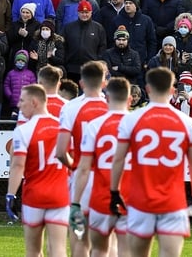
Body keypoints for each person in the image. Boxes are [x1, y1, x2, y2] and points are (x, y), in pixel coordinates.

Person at [110, 67, 192, 257]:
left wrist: (114, 191)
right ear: (172, 90)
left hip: (139, 201)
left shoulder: (131, 119)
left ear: (148, 89)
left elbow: (118, 159)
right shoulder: (187, 123)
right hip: (173, 202)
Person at [71, 77, 131, 257]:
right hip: (131, 197)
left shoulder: (95, 126)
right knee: (126, 250)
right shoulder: (139, 123)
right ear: (129, 100)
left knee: (99, 249)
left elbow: (83, 168)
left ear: (107, 98)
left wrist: (75, 201)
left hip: (101, 196)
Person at [6, 84, 68, 257]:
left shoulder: (24, 130)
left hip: (35, 195)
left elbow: (18, 165)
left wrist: (11, 194)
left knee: (33, 251)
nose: (18, 105)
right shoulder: (62, 127)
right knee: (58, 248)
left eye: (22, 100)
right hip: (60, 194)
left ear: (34, 102)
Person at [55, 60, 108, 257]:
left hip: (81, 180)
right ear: (104, 82)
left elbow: (61, 151)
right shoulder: (113, 107)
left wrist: (74, 167)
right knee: (106, 243)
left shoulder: (71, 107)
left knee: (79, 238)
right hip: (109, 179)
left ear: (82, 83)